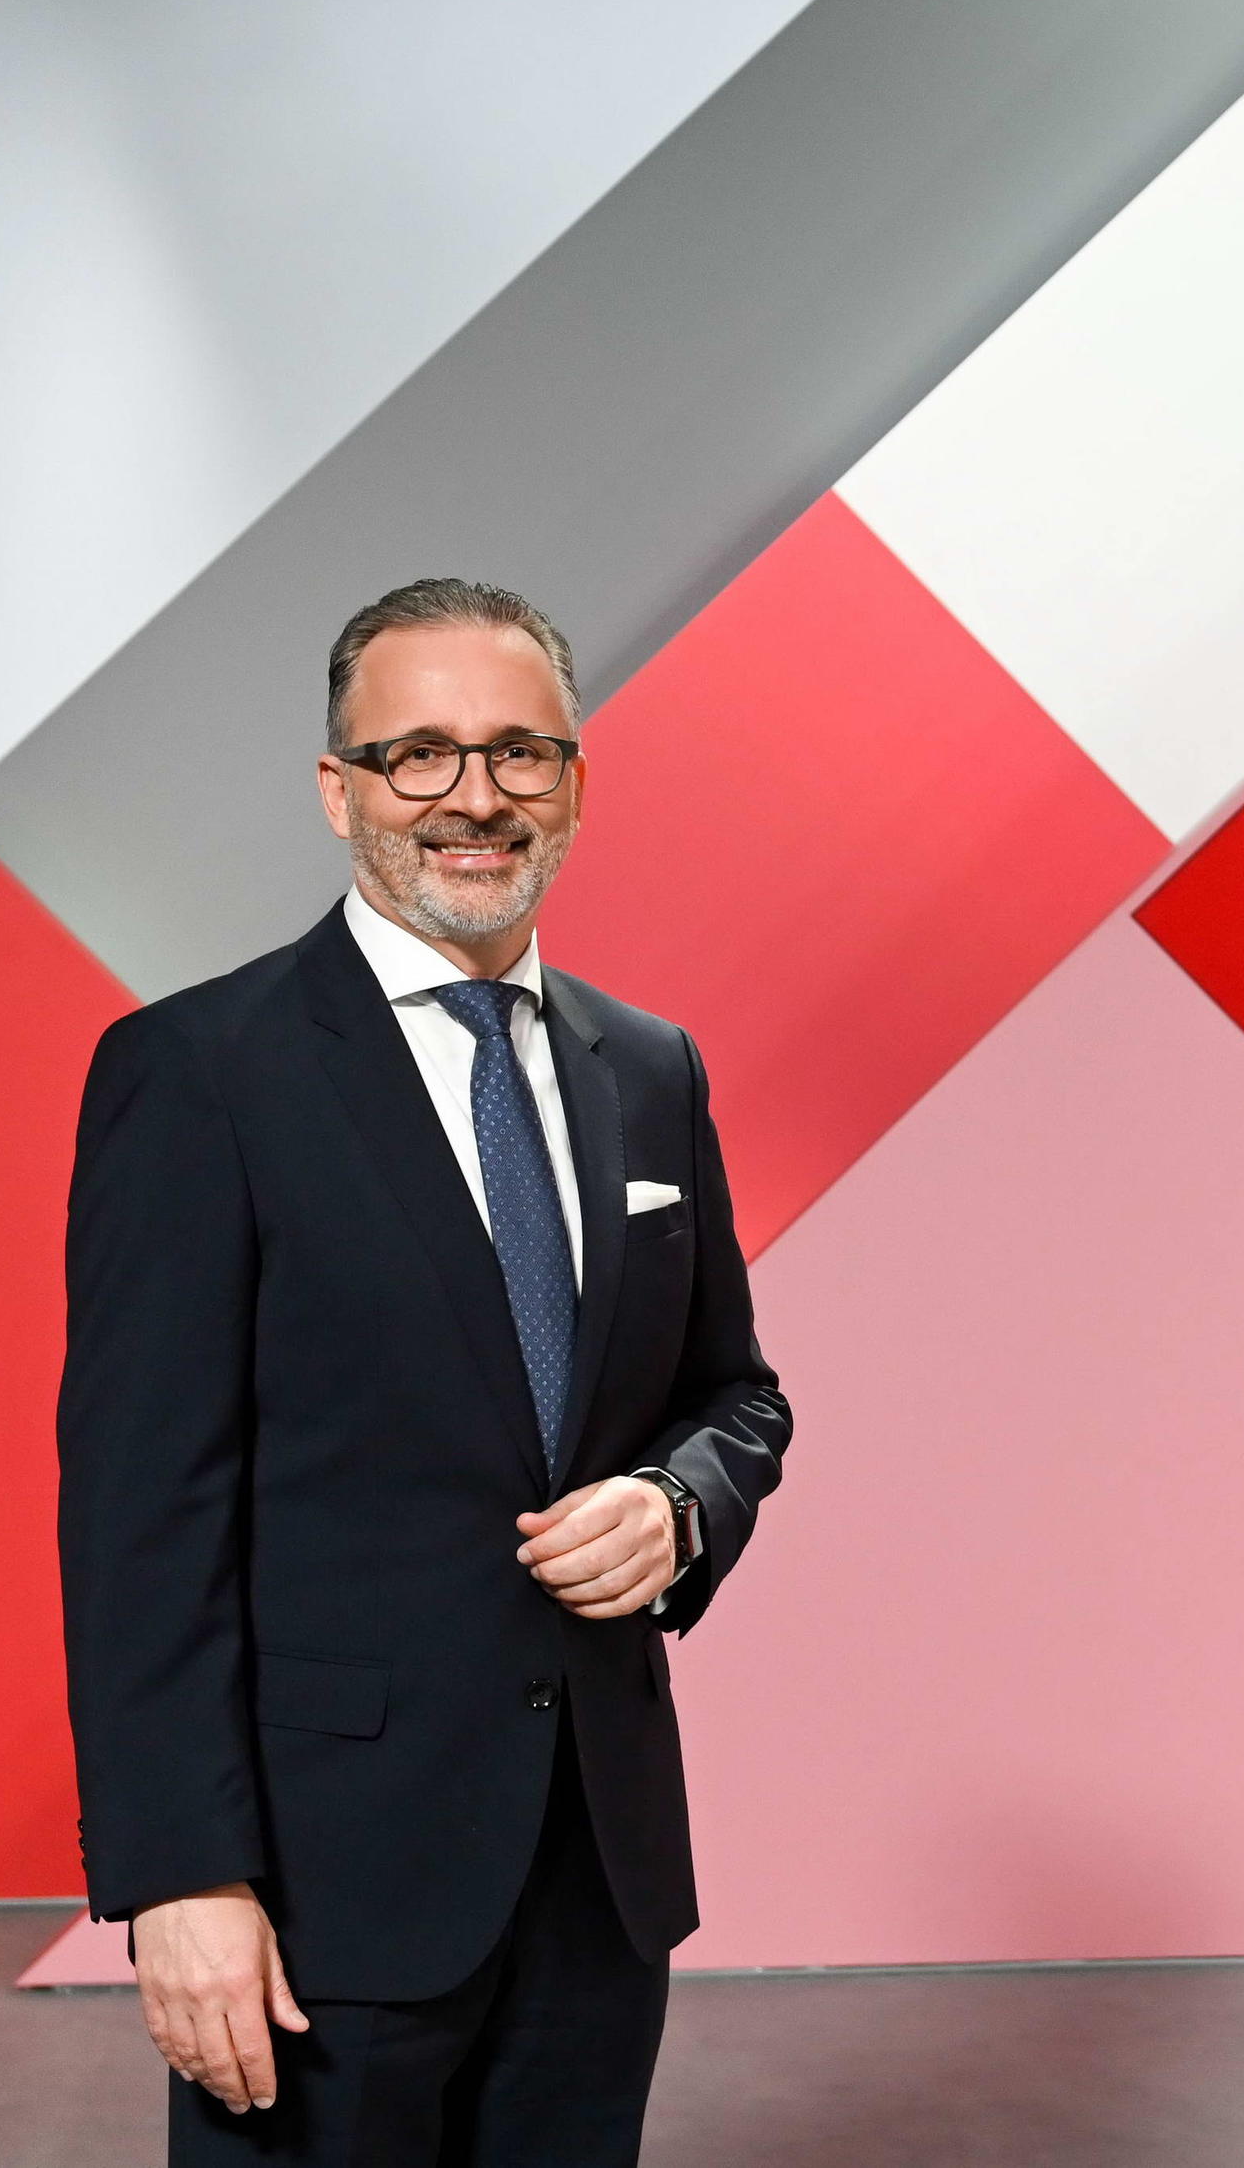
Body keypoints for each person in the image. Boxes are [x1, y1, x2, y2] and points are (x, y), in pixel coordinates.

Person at [57, 578, 791, 2165]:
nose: (477, 795)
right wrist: (181, 1875)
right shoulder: (199, 1072)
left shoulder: (648, 1068)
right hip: (316, 1896)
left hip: (597, 1878)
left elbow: (736, 1396)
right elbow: (138, 1517)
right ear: (341, 791)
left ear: (573, 783)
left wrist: (677, 1505)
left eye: (521, 751)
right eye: (421, 755)